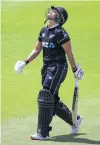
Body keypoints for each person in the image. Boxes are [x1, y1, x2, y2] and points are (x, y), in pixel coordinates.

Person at [14, 6, 84, 140]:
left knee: (45, 95)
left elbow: (69, 53)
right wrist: (24, 62)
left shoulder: (61, 33)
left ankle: (43, 132)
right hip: (46, 67)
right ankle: (75, 120)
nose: (51, 12)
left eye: (55, 12)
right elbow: (36, 49)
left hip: (58, 67)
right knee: (51, 99)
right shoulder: (44, 30)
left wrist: (75, 70)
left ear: (59, 17)